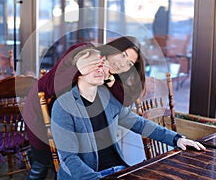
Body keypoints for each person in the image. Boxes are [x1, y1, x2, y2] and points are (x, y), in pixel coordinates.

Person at [51, 48, 206, 180]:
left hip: (119, 170)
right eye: (92, 66)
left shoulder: (107, 97)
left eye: (101, 65)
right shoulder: (63, 106)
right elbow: (69, 159)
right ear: (78, 72)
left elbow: (140, 123)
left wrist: (176, 139)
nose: (99, 69)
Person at [24, 36, 148, 179]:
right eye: (123, 55)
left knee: (68, 164)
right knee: (45, 163)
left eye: (129, 63)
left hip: (65, 119)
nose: (122, 64)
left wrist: (110, 80)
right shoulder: (83, 51)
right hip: (40, 111)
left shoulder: (107, 74)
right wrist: (79, 69)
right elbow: (52, 87)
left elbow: (123, 101)